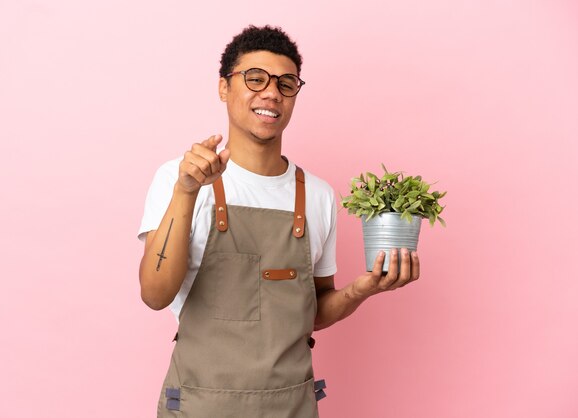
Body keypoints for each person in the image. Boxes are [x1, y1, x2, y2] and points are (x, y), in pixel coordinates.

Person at [138, 25, 420, 418]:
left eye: (287, 83)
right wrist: (186, 191)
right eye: (255, 79)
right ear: (224, 87)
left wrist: (361, 289)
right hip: (199, 407)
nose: (271, 92)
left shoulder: (318, 196)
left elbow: (313, 312)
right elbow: (154, 295)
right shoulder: (180, 177)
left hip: (292, 408)